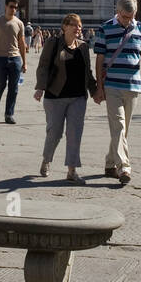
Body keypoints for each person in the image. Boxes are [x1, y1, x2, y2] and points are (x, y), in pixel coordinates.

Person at [94, 0, 141, 185]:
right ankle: (124, 168)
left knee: (122, 130)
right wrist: (99, 87)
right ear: (118, 12)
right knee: (119, 126)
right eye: (125, 17)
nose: (128, 20)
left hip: (133, 86)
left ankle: (109, 163)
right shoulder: (105, 28)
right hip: (112, 85)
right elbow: (99, 59)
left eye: (131, 17)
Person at [34, 14, 96, 184]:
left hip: (78, 97)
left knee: (75, 133)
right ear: (65, 27)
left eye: (80, 25)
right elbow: (43, 66)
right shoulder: (53, 43)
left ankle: (72, 170)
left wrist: (95, 91)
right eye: (74, 25)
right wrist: (40, 87)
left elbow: (88, 72)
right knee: (55, 133)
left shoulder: (83, 47)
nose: (78, 28)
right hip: (55, 96)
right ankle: (46, 160)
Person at [0, 0, 27, 124]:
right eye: (11, 6)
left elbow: (22, 43)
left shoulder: (19, 23)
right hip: (1, 58)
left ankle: (9, 114)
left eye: (15, 7)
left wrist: (24, 63)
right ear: (5, 6)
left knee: (14, 88)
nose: (13, 9)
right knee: (0, 85)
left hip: (15, 59)